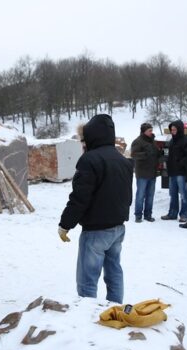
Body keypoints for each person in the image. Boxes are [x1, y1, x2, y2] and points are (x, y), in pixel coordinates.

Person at [58, 114, 133, 304]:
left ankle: (86, 319)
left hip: (96, 232)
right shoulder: (123, 160)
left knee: (87, 281)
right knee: (114, 272)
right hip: (118, 228)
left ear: (92, 136)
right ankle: (115, 310)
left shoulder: (89, 160)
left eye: (84, 139)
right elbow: (127, 196)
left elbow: (80, 197)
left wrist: (65, 224)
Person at [161, 120, 187, 223]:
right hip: (172, 172)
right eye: (171, 130)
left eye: (174, 129)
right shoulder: (171, 141)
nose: (173, 131)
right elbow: (167, 154)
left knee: (183, 194)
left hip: (181, 172)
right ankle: (172, 213)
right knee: (172, 194)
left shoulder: (186, 141)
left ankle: (184, 215)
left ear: (180, 129)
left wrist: (180, 163)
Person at [130, 123, 160, 223]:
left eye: (151, 130)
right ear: (144, 131)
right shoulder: (137, 141)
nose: (151, 132)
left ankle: (148, 215)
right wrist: (146, 154)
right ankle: (138, 215)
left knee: (150, 195)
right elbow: (133, 155)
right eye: (149, 131)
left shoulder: (153, 141)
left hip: (152, 172)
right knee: (140, 195)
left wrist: (159, 154)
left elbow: (156, 153)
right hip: (142, 173)